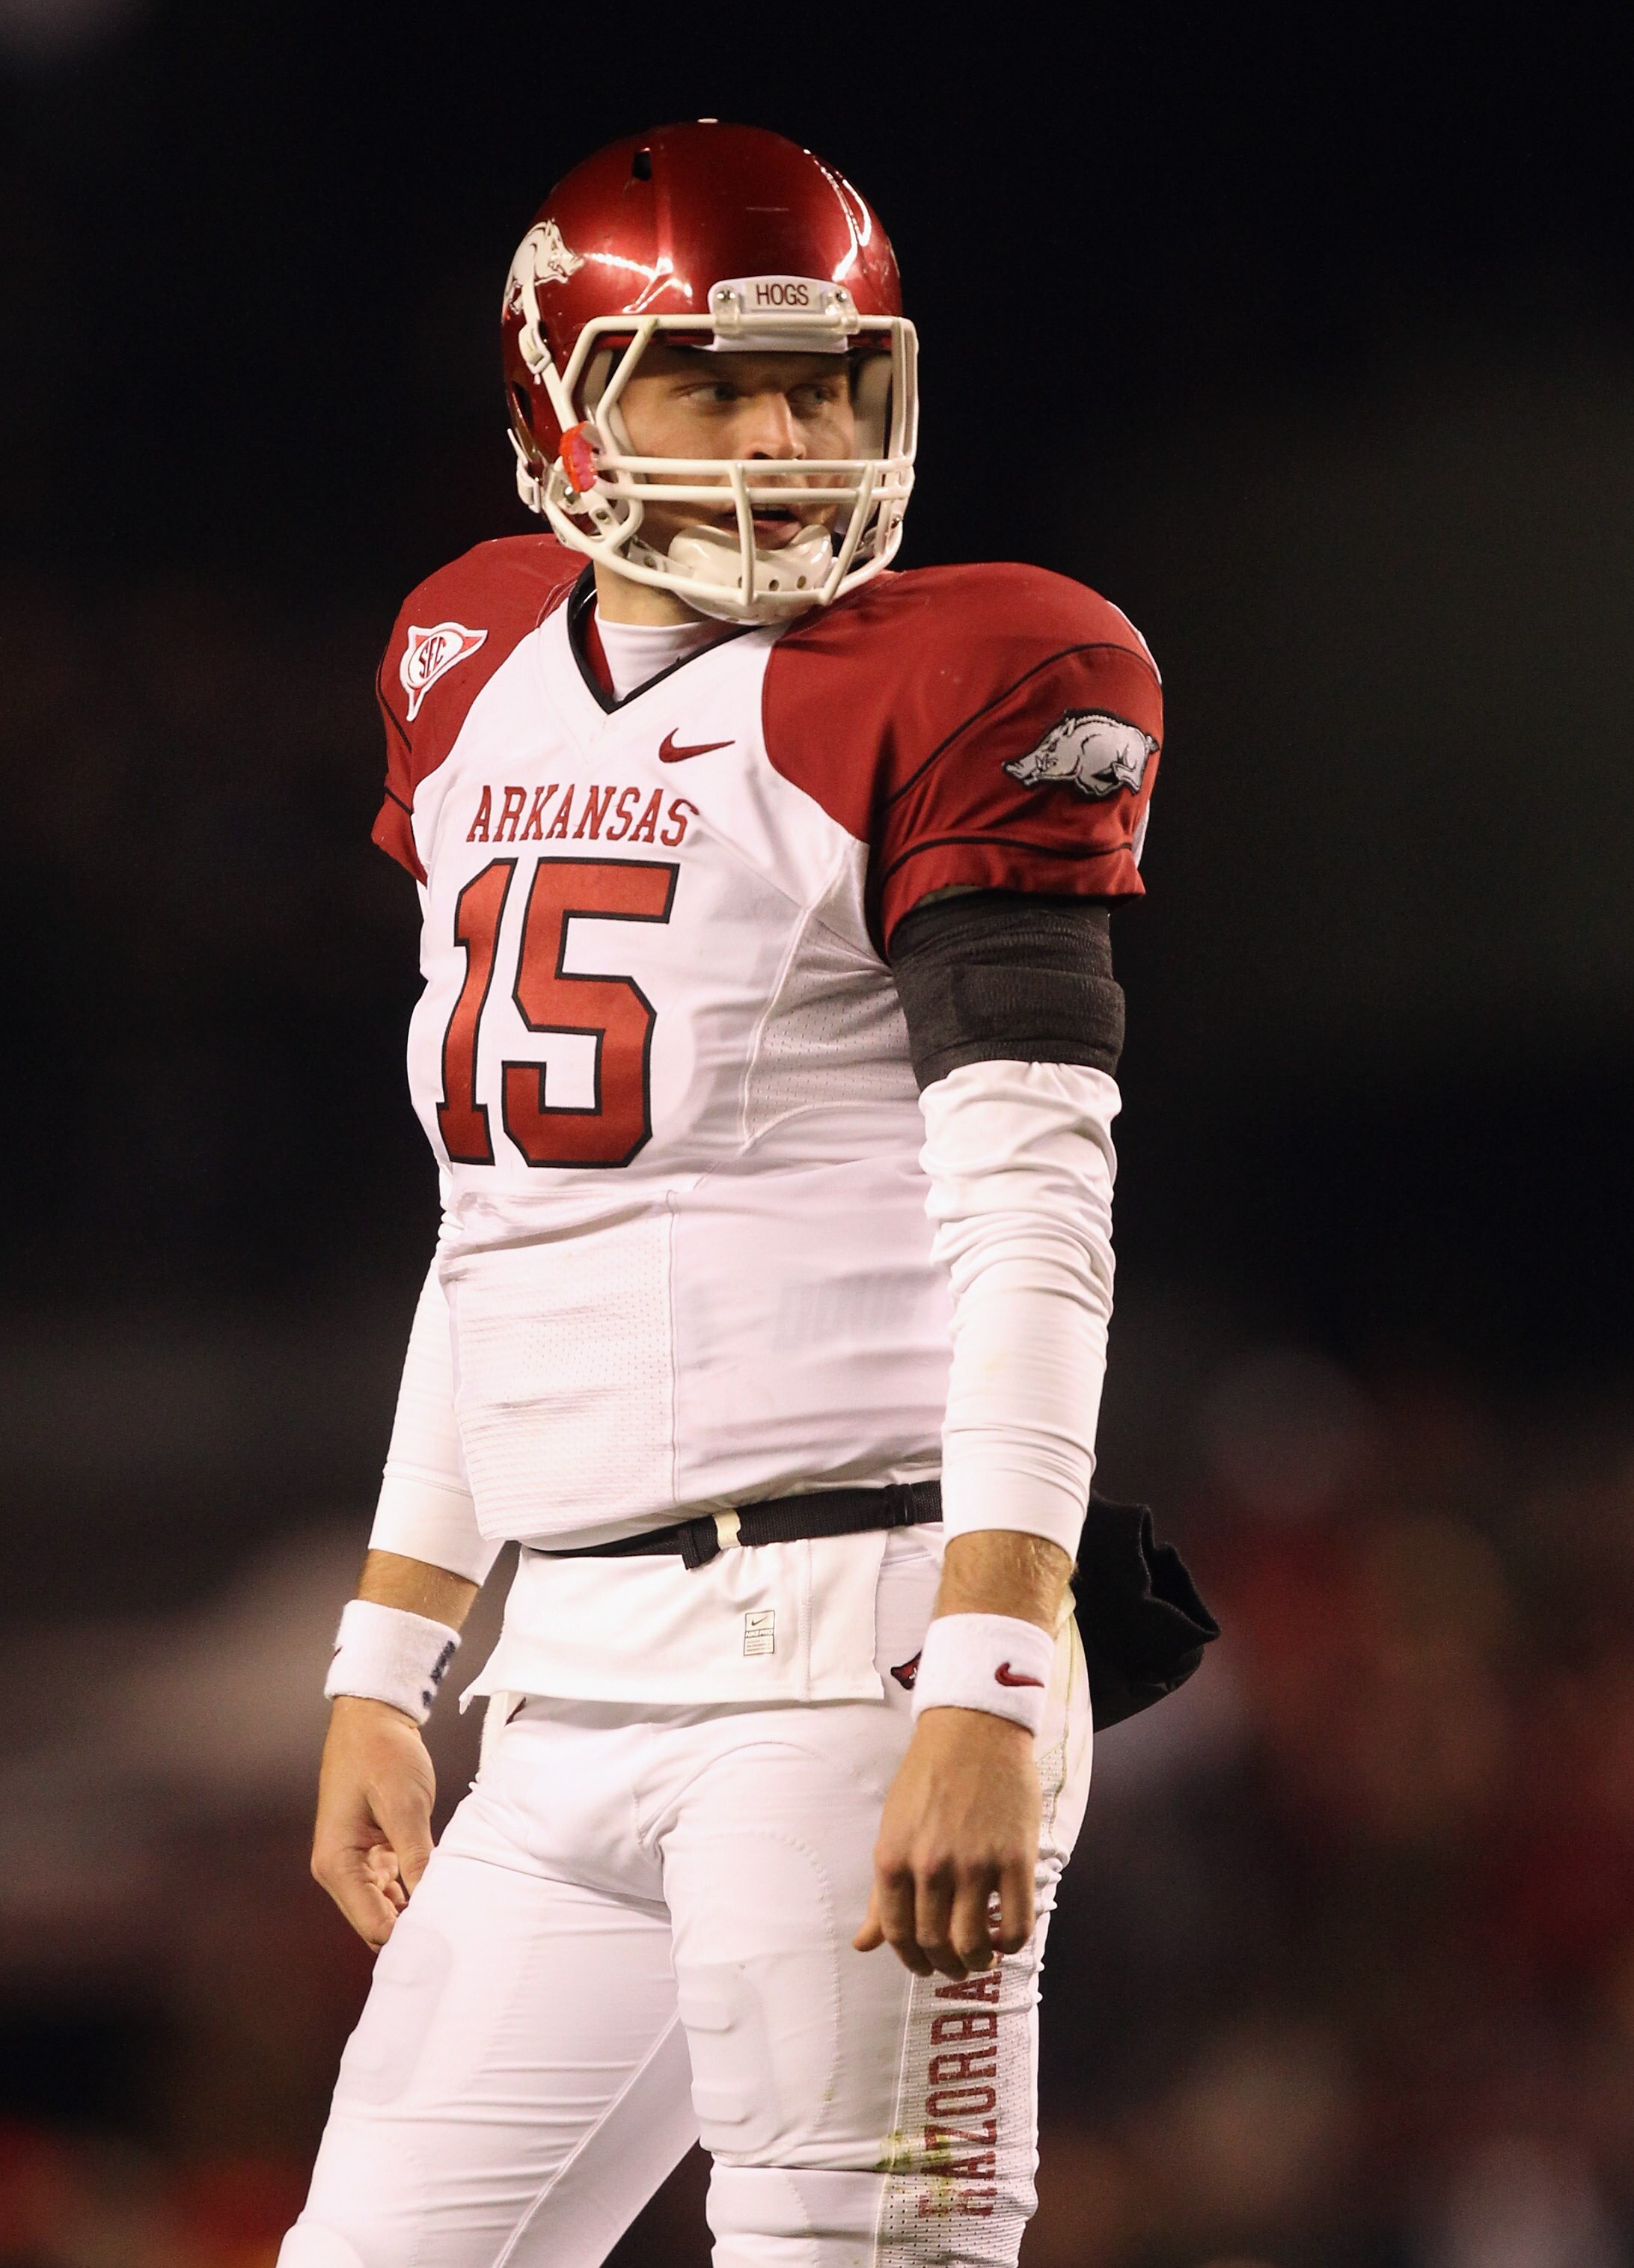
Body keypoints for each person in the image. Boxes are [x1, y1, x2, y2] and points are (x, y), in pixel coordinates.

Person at [278, 117, 1163, 2268]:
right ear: (557, 402)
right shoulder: (466, 665)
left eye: (822, 382)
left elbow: (1037, 1214)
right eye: (708, 382)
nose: (779, 433)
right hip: (566, 1672)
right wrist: (389, 1656)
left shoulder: (976, 673)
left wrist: (996, 1670)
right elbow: (501, 1219)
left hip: (844, 1656)